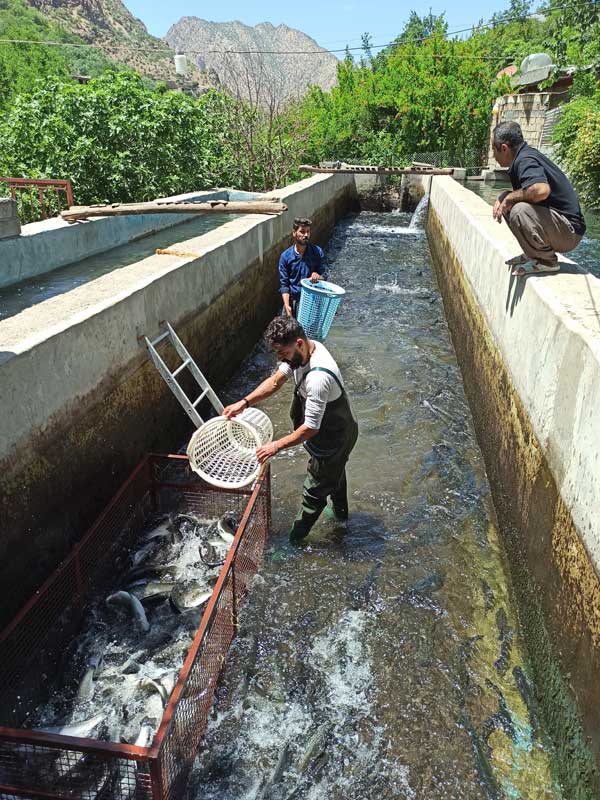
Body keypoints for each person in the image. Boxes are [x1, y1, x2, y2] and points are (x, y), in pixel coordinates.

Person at [223, 316, 358, 543]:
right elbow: (276, 381)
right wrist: (244, 403)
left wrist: (275, 446)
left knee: (313, 492)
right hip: (331, 429)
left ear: (298, 343)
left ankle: (294, 541)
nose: (279, 359)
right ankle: (341, 517)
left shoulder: (318, 378)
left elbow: (310, 428)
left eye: (282, 354)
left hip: (333, 436)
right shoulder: (302, 352)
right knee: (335, 472)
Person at [491, 121, 586, 276]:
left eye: (493, 150)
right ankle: (533, 254)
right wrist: (505, 196)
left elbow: (541, 190)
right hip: (562, 227)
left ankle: (546, 261)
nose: (493, 156)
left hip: (569, 231)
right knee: (509, 203)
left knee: (518, 210)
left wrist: (509, 198)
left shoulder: (525, 160)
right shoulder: (524, 156)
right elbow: (526, 193)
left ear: (504, 148)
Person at [278, 217, 327, 317]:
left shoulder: (317, 252)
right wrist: (287, 306)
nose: (306, 235)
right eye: (302, 232)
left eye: (308, 232)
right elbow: (284, 285)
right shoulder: (285, 257)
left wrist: (318, 276)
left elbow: (324, 276)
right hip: (293, 300)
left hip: (311, 301)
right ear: (294, 233)